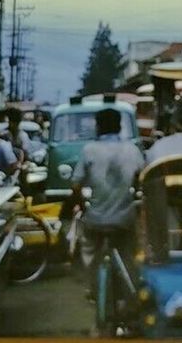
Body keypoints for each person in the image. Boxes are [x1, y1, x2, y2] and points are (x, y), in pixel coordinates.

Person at [72, 108, 145, 300]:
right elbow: (142, 181)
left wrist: (84, 205)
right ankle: (129, 290)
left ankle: (93, 289)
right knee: (129, 252)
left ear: (98, 127)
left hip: (95, 219)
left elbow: (75, 184)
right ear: (119, 126)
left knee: (89, 250)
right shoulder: (132, 150)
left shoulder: (89, 150)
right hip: (124, 219)